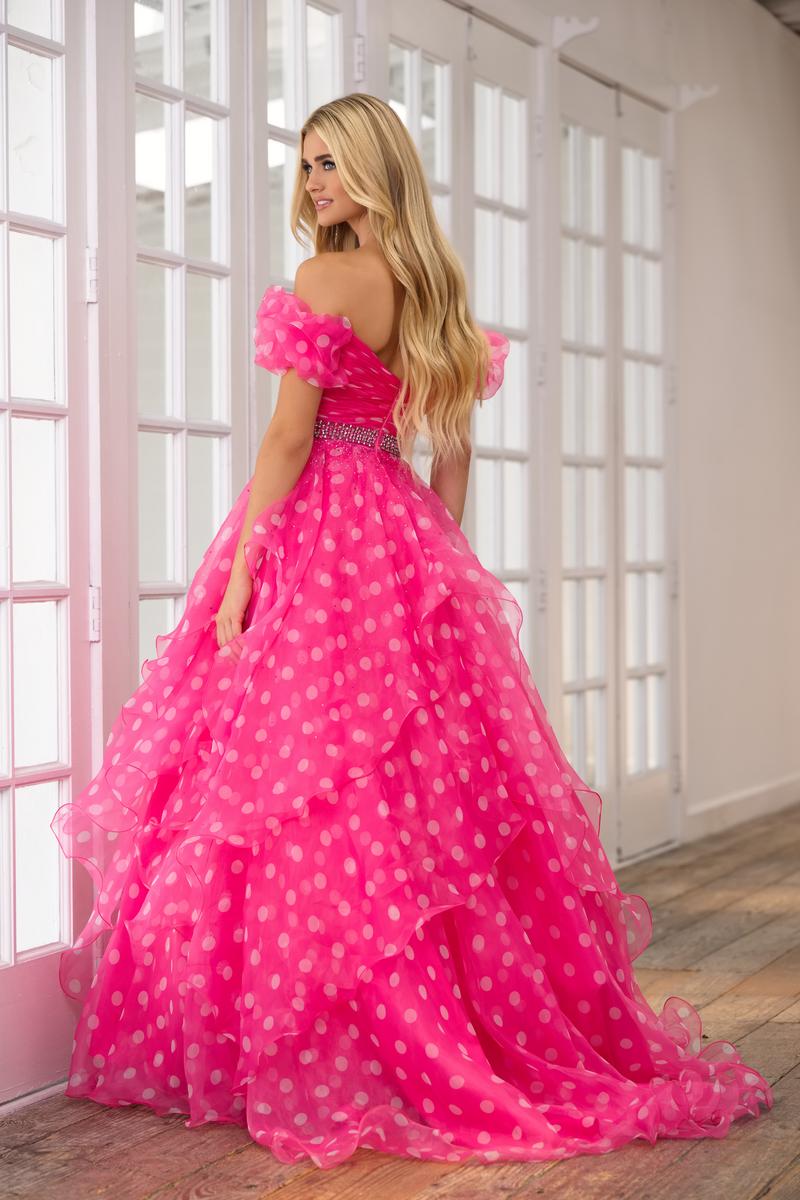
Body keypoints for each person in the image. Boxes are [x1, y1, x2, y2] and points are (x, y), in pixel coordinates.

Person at [50, 93, 773, 1171]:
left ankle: (305, 1041)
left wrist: (242, 571)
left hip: (318, 528)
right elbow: (453, 456)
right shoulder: (434, 287)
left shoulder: (324, 280)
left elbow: (287, 440)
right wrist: (431, 559)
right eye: (306, 164)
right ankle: (415, 1025)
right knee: (406, 787)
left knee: (293, 775)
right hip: (396, 525)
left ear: (376, 168)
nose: (314, 184)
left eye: (331, 163)